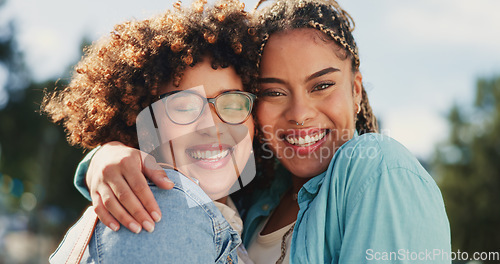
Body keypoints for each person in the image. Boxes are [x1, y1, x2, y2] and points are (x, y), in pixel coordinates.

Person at [70, 0, 452, 263]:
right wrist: (107, 155)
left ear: (355, 89)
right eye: (273, 92)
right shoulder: (255, 200)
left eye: (322, 85)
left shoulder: (379, 170)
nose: (300, 114)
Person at [43, 0, 260, 262]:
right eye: (183, 107)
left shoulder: (245, 211)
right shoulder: (165, 213)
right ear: (142, 124)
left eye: (234, 103)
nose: (212, 126)